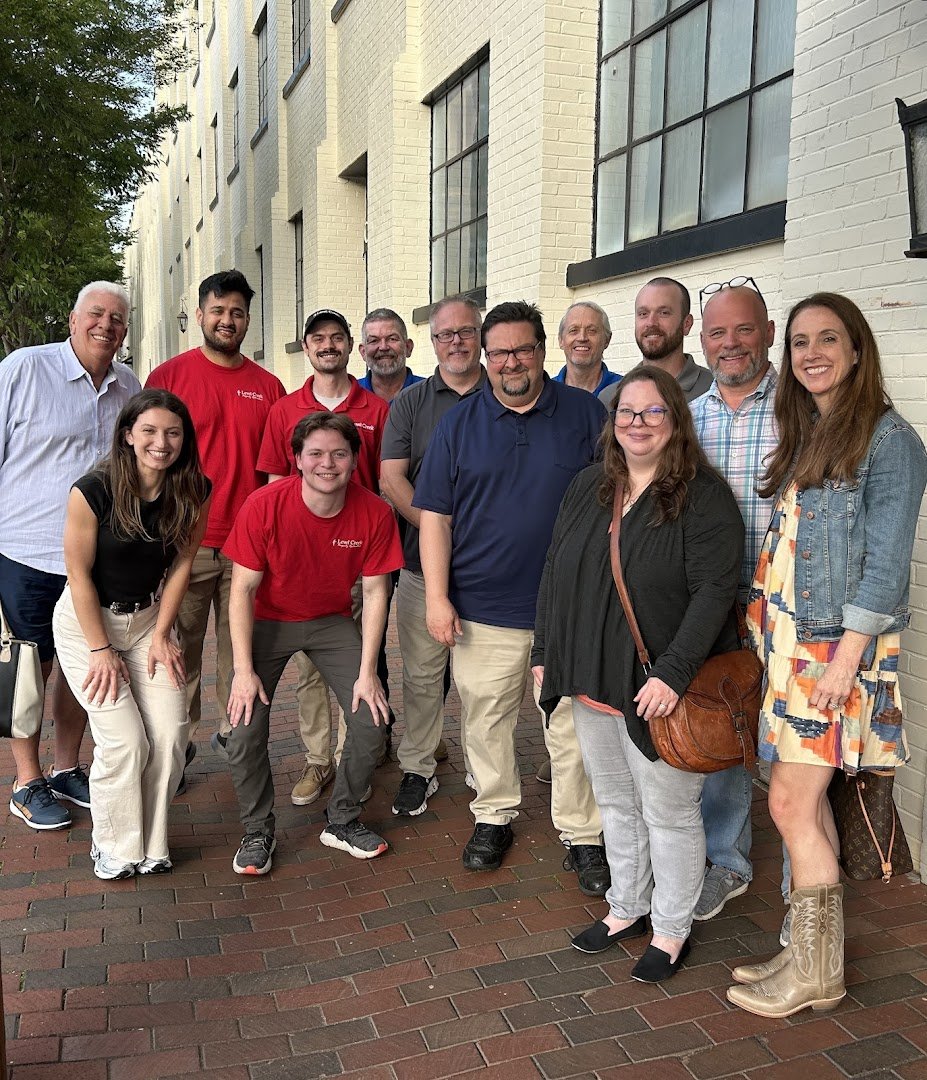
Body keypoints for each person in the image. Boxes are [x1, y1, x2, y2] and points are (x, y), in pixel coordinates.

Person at [727, 293, 927, 1018]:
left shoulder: (888, 440)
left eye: (827, 339)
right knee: (793, 806)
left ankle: (817, 973)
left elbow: (882, 567)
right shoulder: (814, 431)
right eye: (801, 341)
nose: (811, 353)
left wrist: (842, 663)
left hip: (828, 658)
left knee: (789, 803)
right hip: (792, 653)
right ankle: (809, 955)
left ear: (855, 349)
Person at [534, 366, 744, 982]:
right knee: (616, 803)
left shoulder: (701, 495)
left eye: (654, 412)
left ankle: (672, 927)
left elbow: (712, 593)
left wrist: (674, 675)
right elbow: (554, 573)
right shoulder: (588, 487)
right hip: (591, 676)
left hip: (658, 688)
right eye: (628, 412)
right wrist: (548, 651)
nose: (639, 423)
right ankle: (626, 905)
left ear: (674, 420)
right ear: (612, 423)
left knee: (669, 812)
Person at [414, 301, 610, 890]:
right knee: (485, 718)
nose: (510, 362)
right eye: (498, 352)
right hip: (484, 608)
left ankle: (583, 832)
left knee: (573, 727)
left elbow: (617, 505)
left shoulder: (586, 415)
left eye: (522, 349)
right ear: (483, 355)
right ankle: (493, 813)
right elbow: (436, 519)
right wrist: (437, 598)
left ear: (543, 350)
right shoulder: (458, 424)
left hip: (570, 609)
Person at [223, 412, 403, 875]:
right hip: (268, 620)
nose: (328, 463)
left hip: (330, 621)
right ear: (298, 460)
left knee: (370, 720)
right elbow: (241, 590)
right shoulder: (264, 505)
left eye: (339, 454)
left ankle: (341, 819)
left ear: (354, 459)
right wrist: (243, 672)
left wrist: (368, 675)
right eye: (316, 454)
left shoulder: (375, 511)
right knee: (243, 728)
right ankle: (257, 829)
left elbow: (376, 592)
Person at [52, 390, 211, 878]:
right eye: (149, 431)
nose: (161, 443)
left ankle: (152, 842)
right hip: (87, 626)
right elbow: (77, 574)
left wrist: (163, 633)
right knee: (124, 741)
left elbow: (183, 562)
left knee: (168, 733)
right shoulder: (93, 490)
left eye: (172, 433)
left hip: (147, 623)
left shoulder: (194, 489)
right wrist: (101, 650)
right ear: (127, 435)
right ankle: (115, 845)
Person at [0, 281, 140, 831]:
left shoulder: (129, 385)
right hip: (27, 551)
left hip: (93, 557)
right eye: (96, 314)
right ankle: (25, 778)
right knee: (29, 669)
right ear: (73, 319)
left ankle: (65, 768)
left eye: (118, 319)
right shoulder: (23, 370)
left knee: (81, 664)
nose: (106, 325)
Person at [146, 270, 285, 793]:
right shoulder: (170, 376)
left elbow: (276, 471)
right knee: (179, 649)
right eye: (218, 310)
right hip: (186, 543)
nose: (228, 320)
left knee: (241, 650)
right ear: (200, 314)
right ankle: (175, 744)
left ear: (248, 319)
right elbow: (146, 458)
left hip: (248, 548)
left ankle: (236, 737)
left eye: (238, 312)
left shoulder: (268, 386)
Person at [255, 309, 392, 807]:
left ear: (350, 345)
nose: (328, 345)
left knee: (358, 660)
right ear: (306, 347)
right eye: (318, 339)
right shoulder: (284, 410)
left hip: (357, 558)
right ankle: (319, 760)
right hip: (300, 567)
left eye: (337, 337)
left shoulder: (375, 408)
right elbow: (274, 487)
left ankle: (355, 749)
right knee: (310, 671)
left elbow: (379, 483)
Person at [689, 280, 779, 925]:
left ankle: (808, 881)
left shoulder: (801, 411)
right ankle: (727, 860)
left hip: (787, 605)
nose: (731, 344)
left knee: (795, 742)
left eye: (743, 330)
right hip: (714, 603)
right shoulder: (689, 418)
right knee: (722, 726)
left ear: (767, 333)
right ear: (702, 341)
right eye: (718, 333)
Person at [380, 297, 486, 817]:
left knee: (483, 681)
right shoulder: (412, 402)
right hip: (422, 567)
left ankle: (483, 771)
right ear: (433, 341)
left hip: (492, 572)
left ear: (481, 335)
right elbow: (392, 477)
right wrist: (434, 530)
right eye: (446, 334)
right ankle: (418, 767)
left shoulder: (508, 392)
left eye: (467, 332)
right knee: (423, 676)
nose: (457, 342)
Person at [599, 277, 712, 409]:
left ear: (687, 324)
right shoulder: (611, 398)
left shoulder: (714, 390)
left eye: (664, 313)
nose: (651, 322)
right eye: (643, 314)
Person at [553, 301, 621, 395]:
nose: (582, 338)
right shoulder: (545, 393)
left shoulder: (625, 391)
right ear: (561, 340)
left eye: (591, 331)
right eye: (573, 330)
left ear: (607, 340)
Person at [358, 308, 424, 402]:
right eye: (374, 340)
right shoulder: (349, 394)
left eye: (392, 339)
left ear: (408, 347)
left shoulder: (430, 393)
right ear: (363, 352)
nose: (383, 347)